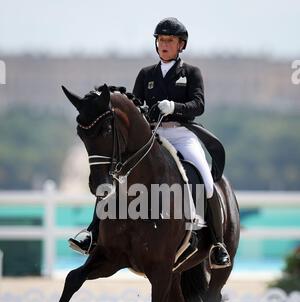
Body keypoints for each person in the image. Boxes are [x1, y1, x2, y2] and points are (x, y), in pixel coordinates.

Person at [69, 17, 230, 268]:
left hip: (181, 132)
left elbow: (199, 105)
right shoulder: (146, 75)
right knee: (115, 174)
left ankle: (218, 244)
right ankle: (92, 233)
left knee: (206, 179)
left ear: (181, 45)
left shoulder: (191, 73)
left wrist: (173, 106)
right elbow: (136, 107)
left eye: (170, 40)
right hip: (153, 136)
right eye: (161, 40)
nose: (164, 44)